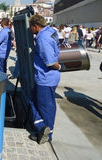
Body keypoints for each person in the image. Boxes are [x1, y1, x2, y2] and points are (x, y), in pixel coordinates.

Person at [28, 15, 61, 144]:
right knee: (43, 104)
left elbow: (51, 62)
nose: (30, 29)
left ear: (36, 26)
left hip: (45, 77)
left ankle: (44, 130)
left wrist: (59, 66)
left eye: (30, 27)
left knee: (44, 106)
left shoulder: (42, 38)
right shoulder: (51, 31)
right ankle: (45, 128)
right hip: (48, 78)